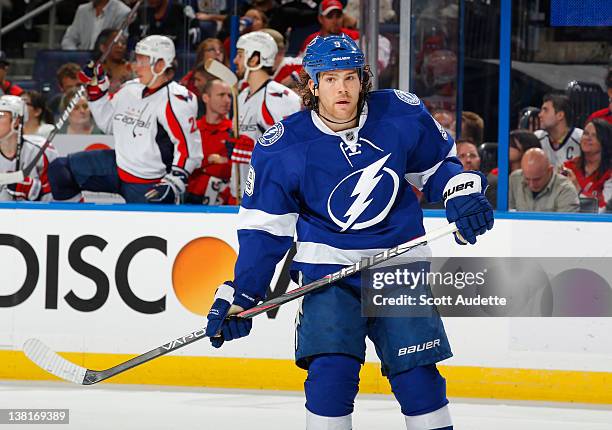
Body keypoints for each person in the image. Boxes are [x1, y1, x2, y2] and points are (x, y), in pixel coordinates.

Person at [203, 34, 493, 429]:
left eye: (350, 77)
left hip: (398, 268)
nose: (342, 87)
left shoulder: (399, 114)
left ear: (363, 78)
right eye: (330, 78)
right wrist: (243, 294)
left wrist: (460, 192)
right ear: (312, 84)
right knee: (329, 380)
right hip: (328, 276)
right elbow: (264, 232)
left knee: (418, 380)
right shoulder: (284, 145)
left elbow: (438, 168)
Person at [48, 35, 202, 204]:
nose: (136, 68)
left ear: (160, 65)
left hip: (149, 181)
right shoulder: (131, 88)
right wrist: (95, 88)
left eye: (143, 62)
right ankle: (80, 222)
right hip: (118, 166)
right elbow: (108, 123)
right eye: (137, 61)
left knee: (142, 230)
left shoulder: (176, 100)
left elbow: (189, 149)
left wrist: (175, 181)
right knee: (61, 170)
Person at [231, 31, 301, 197]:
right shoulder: (241, 96)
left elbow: (290, 152)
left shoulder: (281, 98)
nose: (235, 61)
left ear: (254, 59)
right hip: (241, 194)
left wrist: (254, 148)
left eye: (240, 55)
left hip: (270, 196)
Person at [186, 78, 234, 205]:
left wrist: (201, 164)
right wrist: (210, 160)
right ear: (206, 98)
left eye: (229, 96)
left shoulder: (234, 131)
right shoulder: (193, 128)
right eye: (221, 95)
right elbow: (184, 162)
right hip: (189, 198)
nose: (227, 100)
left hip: (221, 202)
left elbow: (235, 168)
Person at [0, 95, 57, 201]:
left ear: (17, 120)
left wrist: (38, 191)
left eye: (1, 115)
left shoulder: (41, 151)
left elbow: (58, 197)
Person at [562, 119, 612, 210]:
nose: (587, 138)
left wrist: (578, 190)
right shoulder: (569, 167)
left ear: (604, 141)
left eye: (594, 135)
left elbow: (605, 210)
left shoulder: (609, 174)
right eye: (585, 133)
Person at [509, 148, 579, 212]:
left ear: (550, 170)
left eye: (537, 179)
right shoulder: (515, 179)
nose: (532, 184)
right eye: (527, 179)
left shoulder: (565, 190)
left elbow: (565, 224)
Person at [535, 93, 582, 168]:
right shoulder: (537, 138)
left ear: (560, 115)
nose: (540, 115)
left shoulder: (581, 139)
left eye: (545, 110)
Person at [61, 0, 130, 50]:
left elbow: (118, 45)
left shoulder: (122, 12)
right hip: (81, 60)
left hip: (105, 63)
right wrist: (76, 56)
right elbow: (68, 40)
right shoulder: (82, 10)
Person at [93, 28, 134, 94]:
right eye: (115, 43)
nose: (120, 46)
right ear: (103, 47)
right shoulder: (93, 70)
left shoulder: (132, 69)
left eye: (123, 43)